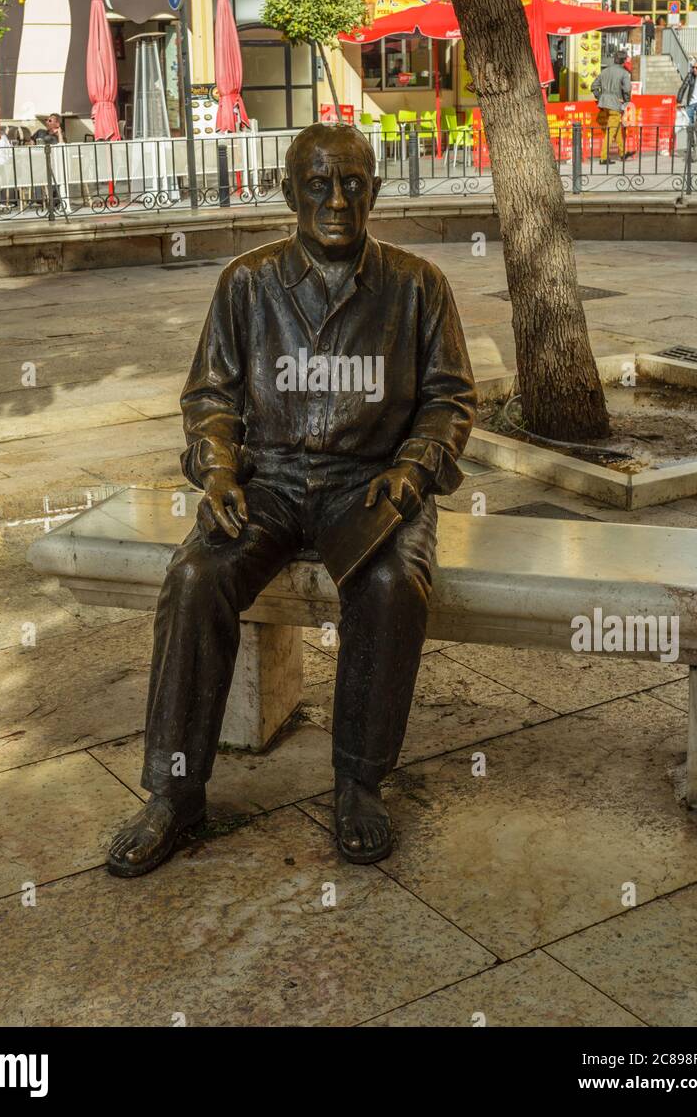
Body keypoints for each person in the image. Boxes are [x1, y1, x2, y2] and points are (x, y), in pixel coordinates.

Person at [107, 123, 476, 878]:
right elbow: (211, 395)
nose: (337, 199)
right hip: (267, 482)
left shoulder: (417, 285)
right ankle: (174, 794)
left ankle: (358, 780)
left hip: (371, 483)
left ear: (374, 191)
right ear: (288, 193)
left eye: (352, 183)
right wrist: (216, 468)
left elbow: (449, 400)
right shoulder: (247, 283)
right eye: (318, 183)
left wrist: (414, 468)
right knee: (194, 578)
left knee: (389, 582)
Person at [591, 51, 631, 165]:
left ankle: (623, 153)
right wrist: (627, 101)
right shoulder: (624, 73)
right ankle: (603, 157)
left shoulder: (605, 71)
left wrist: (600, 97)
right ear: (623, 61)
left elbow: (593, 86)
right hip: (615, 104)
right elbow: (627, 89)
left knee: (616, 128)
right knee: (611, 131)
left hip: (604, 105)